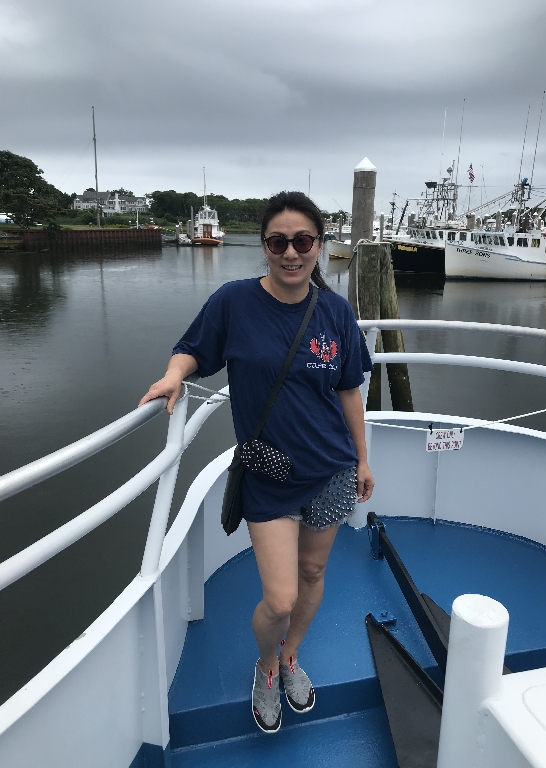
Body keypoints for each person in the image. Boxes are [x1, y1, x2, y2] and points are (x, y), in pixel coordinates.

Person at [139, 191, 374, 734]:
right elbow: (193, 348)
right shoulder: (235, 302)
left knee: (313, 572)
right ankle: (267, 664)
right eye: (278, 242)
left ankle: (291, 655)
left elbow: (348, 391)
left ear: (319, 245)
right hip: (269, 474)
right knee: (280, 596)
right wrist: (174, 376)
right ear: (264, 246)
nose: (291, 253)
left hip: (332, 470)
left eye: (303, 241)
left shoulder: (335, 311)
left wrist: (363, 459)